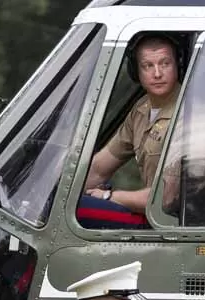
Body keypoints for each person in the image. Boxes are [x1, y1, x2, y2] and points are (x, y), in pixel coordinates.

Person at [76, 32, 184, 229]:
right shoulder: (141, 110)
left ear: (177, 65)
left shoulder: (186, 114)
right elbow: (99, 168)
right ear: (136, 72)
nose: (157, 73)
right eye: (148, 66)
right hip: (149, 216)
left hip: (168, 225)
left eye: (165, 63)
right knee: (65, 203)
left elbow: (165, 200)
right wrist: (60, 190)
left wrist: (109, 196)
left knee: (77, 210)